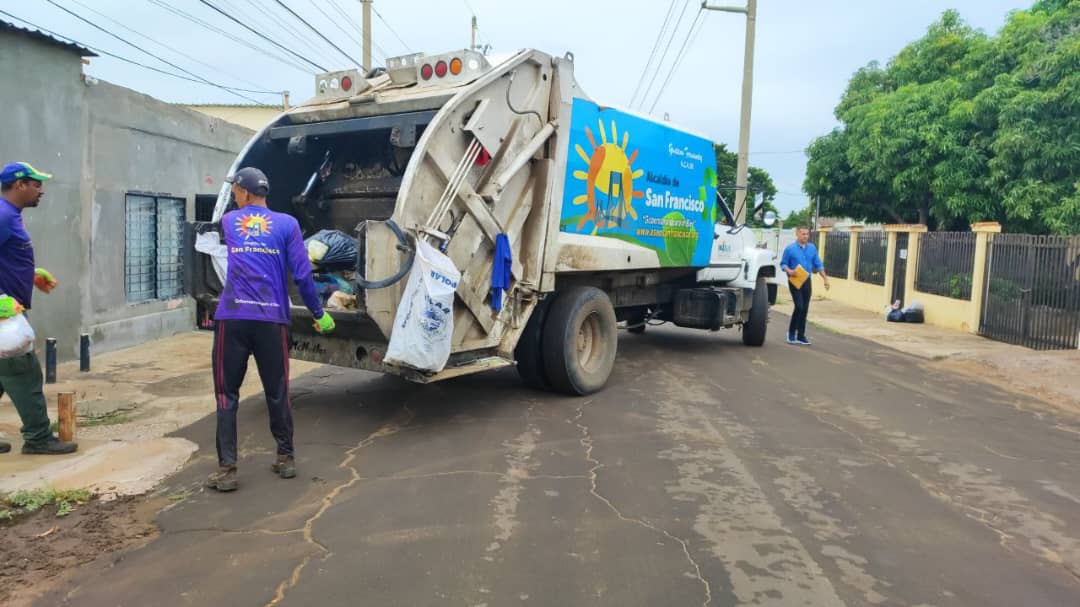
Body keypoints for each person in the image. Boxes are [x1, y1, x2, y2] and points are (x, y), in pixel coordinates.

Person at [207, 167, 335, 492]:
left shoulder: (228, 222)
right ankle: (286, 457)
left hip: (233, 318)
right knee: (277, 390)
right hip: (271, 320)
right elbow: (303, 277)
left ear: (245, 193)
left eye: (235, 190)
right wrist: (319, 315)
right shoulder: (289, 225)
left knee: (226, 395)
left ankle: (227, 470)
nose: (234, 195)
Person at [0, 162, 77, 455]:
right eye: (36, 184)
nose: (41, 190)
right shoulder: (3, 216)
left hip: (9, 310)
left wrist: (29, 273)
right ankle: (39, 438)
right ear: (19, 185)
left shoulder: (10, 215)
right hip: (4, 317)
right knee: (25, 373)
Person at [780, 226, 830, 345]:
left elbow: (818, 264)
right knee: (799, 306)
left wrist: (825, 279)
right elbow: (783, 264)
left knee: (805, 308)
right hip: (794, 281)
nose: (805, 236)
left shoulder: (812, 248)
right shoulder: (790, 249)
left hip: (807, 281)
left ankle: (801, 335)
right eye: (803, 234)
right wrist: (790, 271)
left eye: (807, 234)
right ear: (797, 234)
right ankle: (791, 333)